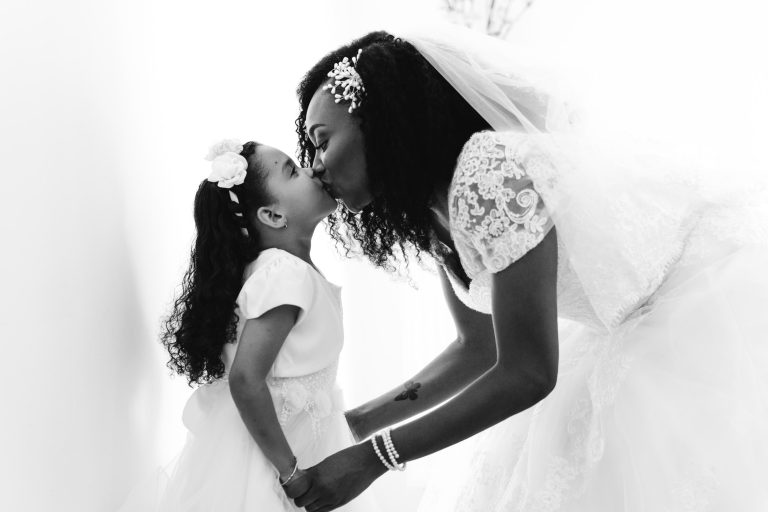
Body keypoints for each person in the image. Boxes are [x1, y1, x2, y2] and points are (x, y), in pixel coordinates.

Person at [288, 26, 768, 512]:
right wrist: (355, 423)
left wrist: (374, 458)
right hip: (619, 326)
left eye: (322, 140)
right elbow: (477, 347)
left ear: (378, 119)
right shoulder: (433, 213)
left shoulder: (488, 170)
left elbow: (529, 371)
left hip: (701, 310)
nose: (316, 165)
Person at [120, 139, 372, 511]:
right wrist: (291, 474)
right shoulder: (286, 274)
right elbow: (245, 378)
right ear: (272, 216)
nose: (312, 169)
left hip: (290, 448)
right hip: (270, 468)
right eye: (291, 170)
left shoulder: (278, 271)